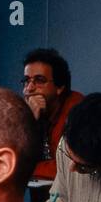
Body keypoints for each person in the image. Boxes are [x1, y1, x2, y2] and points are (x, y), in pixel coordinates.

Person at [21, 48, 84, 181]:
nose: (30, 88)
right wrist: (30, 121)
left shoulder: (77, 112)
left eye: (39, 80)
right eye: (27, 80)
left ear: (59, 87)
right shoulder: (30, 110)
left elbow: (67, 167)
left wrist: (22, 168)